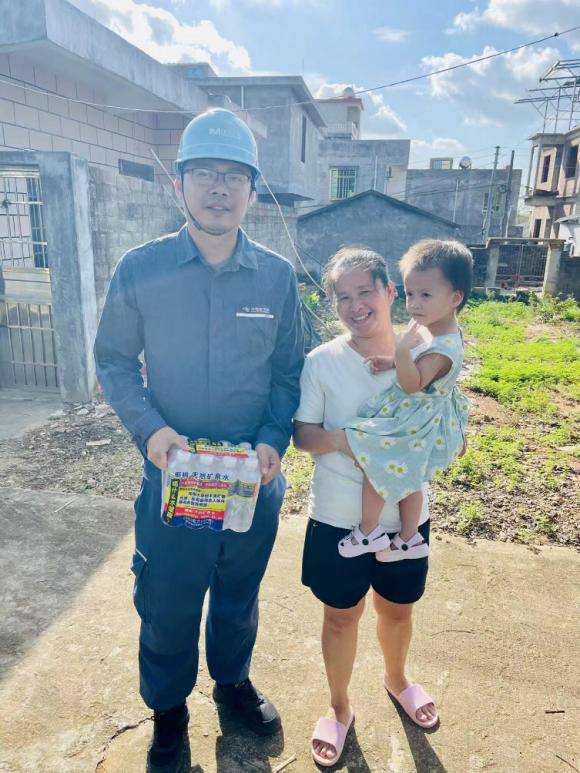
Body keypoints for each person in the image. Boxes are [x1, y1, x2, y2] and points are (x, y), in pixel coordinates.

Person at [94, 108, 304, 773]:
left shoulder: (276, 277)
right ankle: (168, 713)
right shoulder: (142, 268)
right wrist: (151, 429)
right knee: (168, 601)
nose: (219, 188)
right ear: (177, 183)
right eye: (205, 173)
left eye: (234, 175)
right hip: (173, 475)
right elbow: (113, 361)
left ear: (252, 190)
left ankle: (231, 684)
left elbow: (288, 371)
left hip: (251, 478)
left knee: (238, 595)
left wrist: (273, 440)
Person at [293, 246, 438, 768]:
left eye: (365, 292)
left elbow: (449, 418)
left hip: (406, 520)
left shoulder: (427, 353)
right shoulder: (321, 362)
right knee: (340, 617)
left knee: (397, 610)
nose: (356, 306)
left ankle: (397, 680)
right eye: (343, 296)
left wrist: (450, 438)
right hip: (338, 519)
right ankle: (338, 707)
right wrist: (348, 441)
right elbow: (303, 435)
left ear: (389, 291)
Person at [335, 239, 472, 561]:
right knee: (410, 477)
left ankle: (368, 532)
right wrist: (394, 361)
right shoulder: (437, 330)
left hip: (414, 420)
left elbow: (413, 384)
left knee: (374, 461)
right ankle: (409, 538)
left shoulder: (442, 349)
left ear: (455, 298)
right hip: (422, 419)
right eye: (410, 294)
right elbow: (422, 367)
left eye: (425, 295)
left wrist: (400, 352)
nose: (414, 304)